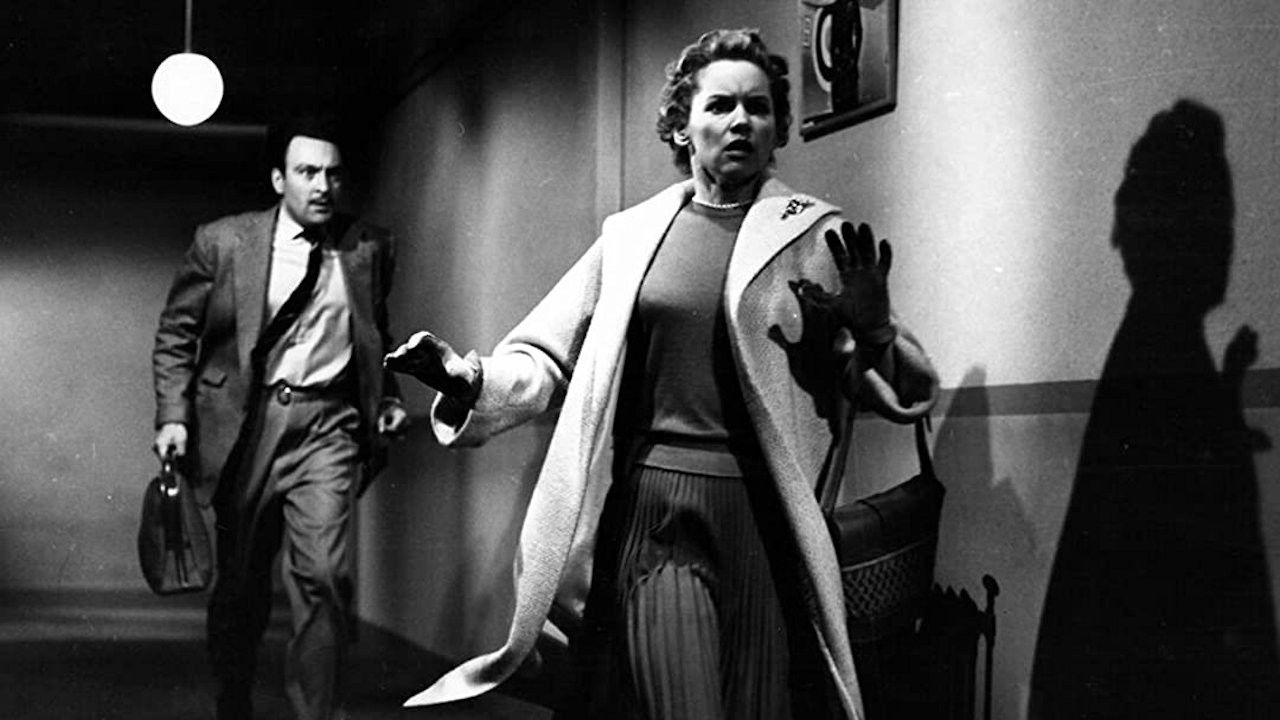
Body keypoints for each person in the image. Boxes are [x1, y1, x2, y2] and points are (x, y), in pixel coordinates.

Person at [386, 28, 937, 720]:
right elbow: (547, 355)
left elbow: (893, 389)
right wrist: (467, 381)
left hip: (767, 522)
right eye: (720, 105)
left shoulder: (812, 237)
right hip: (656, 511)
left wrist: (876, 330)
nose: (741, 121)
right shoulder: (633, 235)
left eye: (759, 108)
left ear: (778, 128)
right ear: (682, 125)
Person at [151, 112, 408, 720]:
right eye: (307, 172)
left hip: (328, 427)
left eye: (333, 174)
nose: (322, 186)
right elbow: (176, 333)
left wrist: (388, 398)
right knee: (241, 585)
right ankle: (233, 694)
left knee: (325, 575)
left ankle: (318, 712)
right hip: (249, 425)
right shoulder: (223, 242)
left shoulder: (369, 248)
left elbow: (373, 335)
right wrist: (173, 415)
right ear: (278, 179)